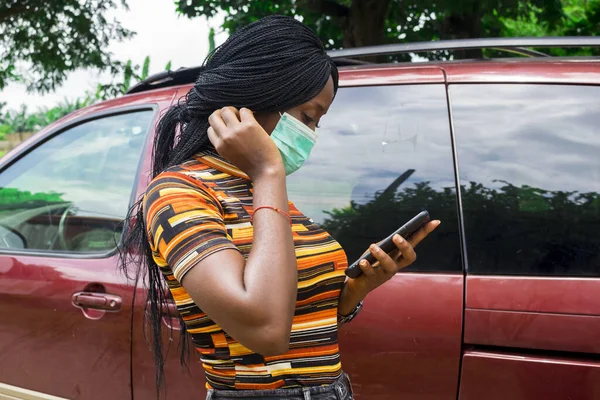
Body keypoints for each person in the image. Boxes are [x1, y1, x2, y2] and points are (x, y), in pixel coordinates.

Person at [121, 15, 439, 400]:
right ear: (255, 100)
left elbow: (294, 318)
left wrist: (354, 290)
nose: (311, 135)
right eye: (307, 117)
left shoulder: (257, 190)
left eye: (317, 122)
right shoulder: (178, 194)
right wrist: (269, 171)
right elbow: (266, 330)